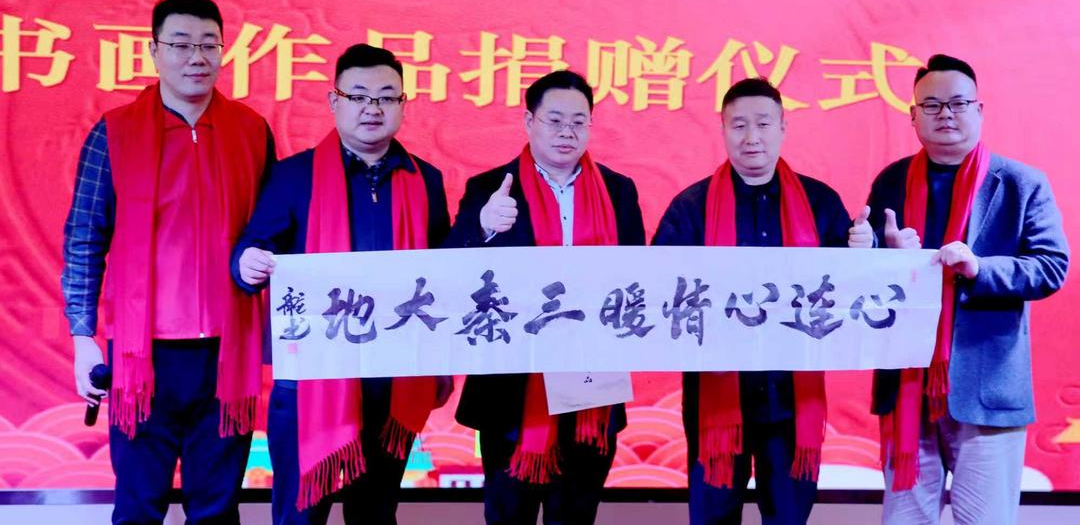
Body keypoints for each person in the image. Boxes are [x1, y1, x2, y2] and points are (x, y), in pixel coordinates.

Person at [61, 0, 273, 524]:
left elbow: (276, 234)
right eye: (180, 44)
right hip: (142, 355)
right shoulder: (113, 132)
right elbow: (84, 238)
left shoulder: (252, 131)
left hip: (228, 354)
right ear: (154, 51)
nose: (196, 57)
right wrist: (83, 337)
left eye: (208, 45)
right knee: (137, 507)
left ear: (223, 51)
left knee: (217, 510)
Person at [231, 44, 453, 525]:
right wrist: (246, 262)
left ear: (402, 104)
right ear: (335, 102)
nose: (373, 108)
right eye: (359, 96)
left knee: (375, 516)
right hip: (311, 381)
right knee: (300, 516)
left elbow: (444, 273)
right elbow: (254, 244)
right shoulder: (294, 176)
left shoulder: (426, 180)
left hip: (393, 381)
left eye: (386, 97)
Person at [848, 54, 1068, 525]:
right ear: (913, 116)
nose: (945, 114)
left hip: (987, 388)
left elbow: (1051, 267)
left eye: (958, 103)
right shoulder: (891, 181)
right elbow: (870, 285)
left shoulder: (1021, 184)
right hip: (907, 386)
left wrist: (979, 268)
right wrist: (875, 255)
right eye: (931, 105)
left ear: (979, 110)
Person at [653, 77, 859, 525]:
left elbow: (850, 290)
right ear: (722, 129)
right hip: (717, 398)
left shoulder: (820, 203)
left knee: (788, 517)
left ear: (783, 127)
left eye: (763, 124)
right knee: (714, 518)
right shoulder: (690, 207)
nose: (752, 137)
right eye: (739, 125)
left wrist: (868, 251)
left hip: (792, 396)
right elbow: (660, 292)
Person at [446, 70, 645, 524]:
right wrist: (483, 227)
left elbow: (636, 279)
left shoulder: (618, 191)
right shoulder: (489, 189)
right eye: (554, 120)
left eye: (578, 122)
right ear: (528, 121)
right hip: (511, 394)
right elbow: (451, 275)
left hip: (592, 390)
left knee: (575, 517)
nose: (566, 132)